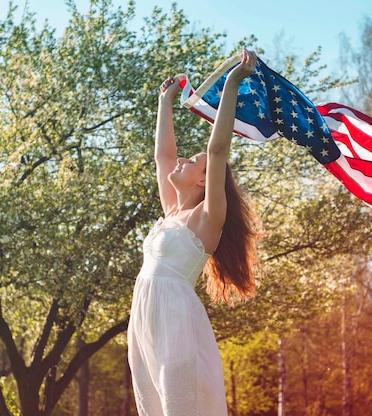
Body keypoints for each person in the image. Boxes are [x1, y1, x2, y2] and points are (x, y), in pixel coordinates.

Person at [127, 48, 262, 415]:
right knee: (154, 403)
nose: (183, 160)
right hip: (146, 318)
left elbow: (217, 150)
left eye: (193, 162)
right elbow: (163, 156)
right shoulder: (173, 211)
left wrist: (233, 81)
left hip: (175, 319)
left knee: (180, 403)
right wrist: (164, 102)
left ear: (205, 181)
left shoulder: (206, 219)